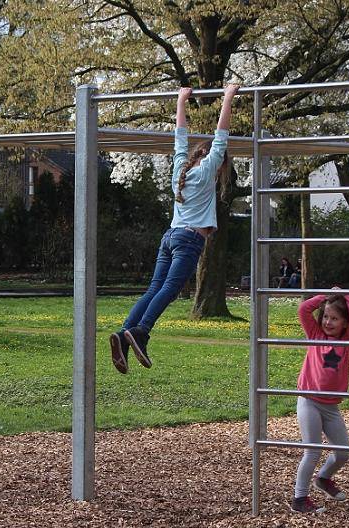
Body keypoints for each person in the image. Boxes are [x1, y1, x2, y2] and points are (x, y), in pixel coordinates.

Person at [108, 83, 240, 374]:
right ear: (216, 162)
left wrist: (181, 100)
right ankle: (141, 331)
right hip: (189, 239)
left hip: (169, 237)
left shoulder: (181, 167)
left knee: (154, 288)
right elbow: (221, 135)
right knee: (169, 289)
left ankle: (124, 333)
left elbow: (180, 135)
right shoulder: (208, 171)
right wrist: (228, 96)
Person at [291, 291, 349, 514]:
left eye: (335, 318)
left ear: (345, 323)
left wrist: (345, 296)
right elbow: (303, 309)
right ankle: (299, 499)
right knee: (312, 451)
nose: (328, 322)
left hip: (330, 406)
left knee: (343, 453)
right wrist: (325, 296)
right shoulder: (315, 335)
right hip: (309, 401)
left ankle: (323, 478)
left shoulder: (347, 342)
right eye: (325, 317)